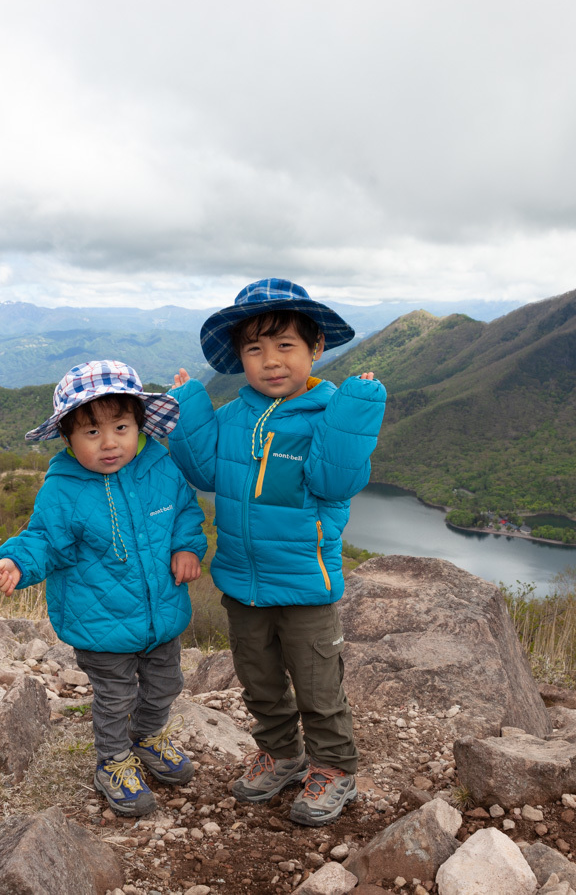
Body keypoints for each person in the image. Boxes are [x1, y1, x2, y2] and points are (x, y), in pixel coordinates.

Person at [166, 278, 386, 826]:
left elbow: (336, 482)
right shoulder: (234, 416)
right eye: (254, 348)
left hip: (306, 584)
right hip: (242, 580)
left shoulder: (327, 413)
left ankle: (334, 766)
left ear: (315, 350)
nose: (270, 361)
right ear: (239, 359)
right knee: (258, 679)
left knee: (317, 683)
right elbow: (204, 471)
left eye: (285, 345)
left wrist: (356, 409)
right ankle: (283, 753)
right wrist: (189, 404)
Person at [0, 360, 208, 817]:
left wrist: (187, 545)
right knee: (115, 696)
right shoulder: (64, 487)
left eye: (121, 427)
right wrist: (15, 562)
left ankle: (148, 735)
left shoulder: (158, 465)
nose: (110, 443)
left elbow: (185, 509)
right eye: (91, 433)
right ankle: (113, 761)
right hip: (99, 622)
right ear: (68, 438)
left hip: (161, 613)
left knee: (166, 682)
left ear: (139, 425)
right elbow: (43, 539)